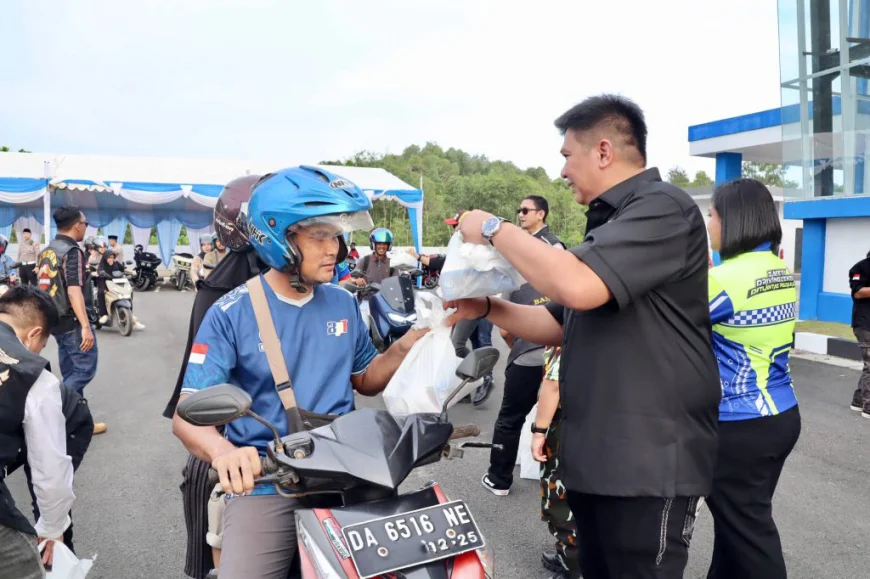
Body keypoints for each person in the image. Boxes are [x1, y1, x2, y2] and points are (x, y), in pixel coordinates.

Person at [448, 95, 720, 579]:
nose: (562, 171)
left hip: (647, 467)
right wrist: (487, 307)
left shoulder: (662, 208)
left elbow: (573, 283)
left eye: (567, 156)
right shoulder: (613, 223)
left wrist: (492, 227)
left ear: (602, 151)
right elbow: (557, 319)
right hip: (600, 462)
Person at [172, 166, 427, 579]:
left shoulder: (343, 304)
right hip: (269, 480)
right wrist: (224, 453)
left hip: (347, 470)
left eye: (337, 235)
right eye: (320, 236)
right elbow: (187, 412)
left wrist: (405, 346)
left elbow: (364, 378)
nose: (335, 249)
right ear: (280, 238)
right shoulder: (230, 313)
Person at [164, 174, 267, 579]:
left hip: (312, 444)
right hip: (240, 445)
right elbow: (191, 404)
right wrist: (221, 449)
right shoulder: (221, 295)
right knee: (204, 485)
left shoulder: (322, 291)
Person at [704, 178, 801, 579]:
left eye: (711, 214)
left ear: (732, 219)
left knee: (748, 530)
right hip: (780, 415)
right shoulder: (777, 269)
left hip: (740, 423)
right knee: (738, 524)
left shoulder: (725, 280)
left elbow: (661, 324)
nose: (707, 223)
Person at [480, 194, 565, 495]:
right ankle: (556, 482)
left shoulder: (524, 258)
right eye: (518, 210)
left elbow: (504, 328)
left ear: (541, 214)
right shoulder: (558, 250)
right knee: (558, 418)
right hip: (559, 350)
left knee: (510, 417)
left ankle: (499, 478)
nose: (520, 214)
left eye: (525, 210)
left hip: (532, 350)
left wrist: (519, 344)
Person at [0, 286, 76, 579]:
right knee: (25, 565)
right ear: (33, 335)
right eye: (42, 345)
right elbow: (50, 469)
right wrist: (53, 529)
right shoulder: (34, 377)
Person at [38, 206, 106, 436]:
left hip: (55, 319)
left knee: (71, 371)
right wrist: (85, 326)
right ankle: (50, 416)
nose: (85, 228)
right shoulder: (72, 251)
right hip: (72, 322)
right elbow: (74, 291)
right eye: (85, 224)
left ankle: (79, 423)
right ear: (77, 225)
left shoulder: (48, 250)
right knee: (84, 370)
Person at [531, 347, 580, 579]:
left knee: (561, 500)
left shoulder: (572, 329)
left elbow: (554, 385)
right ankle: (568, 556)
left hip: (570, 426)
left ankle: (575, 567)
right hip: (607, 426)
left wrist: (539, 431)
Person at [848, 248, 870, 417]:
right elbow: (859, 292)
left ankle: (857, 400)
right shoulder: (860, 268)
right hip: (865, 325)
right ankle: (868, 405)